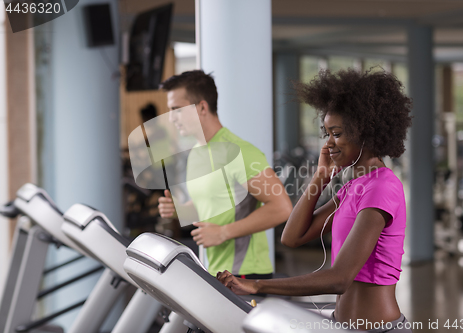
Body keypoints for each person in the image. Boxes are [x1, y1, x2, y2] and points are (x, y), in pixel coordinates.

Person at [217, 68, 413, 332]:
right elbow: (292, 237)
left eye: (337, 133)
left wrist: (258, 285)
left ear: (365, 132)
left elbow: (340, 279)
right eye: (327, 134)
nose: (329, 144)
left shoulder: (381, 187)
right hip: (342, 325)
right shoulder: (354, 187)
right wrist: (320, 176)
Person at [157, 70, 293, 278]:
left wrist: (223, 233)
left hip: (245, 273)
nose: (172, 118)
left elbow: (282, 207)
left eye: (177, 110)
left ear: (202, 107)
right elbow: (214, 203)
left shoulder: (239, 151)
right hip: (215, 270)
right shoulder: (196, 151)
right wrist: (181, 210)